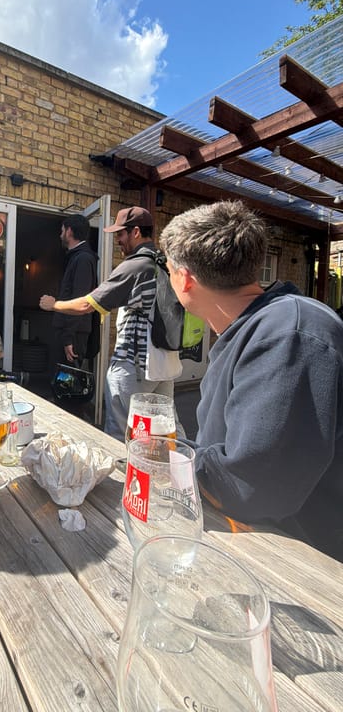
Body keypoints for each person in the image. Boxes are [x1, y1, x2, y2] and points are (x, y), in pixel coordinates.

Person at [159, 200, 343, 561]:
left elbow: (252, 484)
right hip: (257, 542)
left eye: (168, 269)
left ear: (185, 278)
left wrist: (170, 458)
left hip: (308, 570)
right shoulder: (258, 327)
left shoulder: (288, 334)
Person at [40, 206, 179, 440]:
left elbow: (88, 304)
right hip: (165, 363)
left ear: (135, 232)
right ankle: (177, 471)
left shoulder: (136, 265)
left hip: (135, 363)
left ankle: (122, 475)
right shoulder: (165, 264)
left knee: (121, 430)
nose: (117, 240)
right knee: (164, 431)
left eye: (120, 234)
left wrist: (54, 305)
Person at [51, 214, 97, 372]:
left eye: (62, 230)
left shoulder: (83, 259)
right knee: (61, 383)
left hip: (74, 335)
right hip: (70, 333)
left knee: (68, 385)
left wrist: (68, 338)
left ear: (69, 231)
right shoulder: (76, 257)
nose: (60, 235)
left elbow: (80, 299)